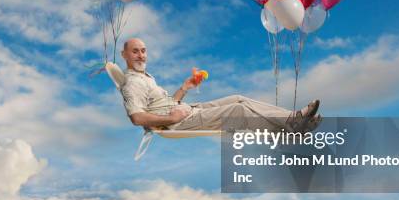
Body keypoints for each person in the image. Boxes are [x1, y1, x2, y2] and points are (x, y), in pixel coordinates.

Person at [118, 38, 321, 132]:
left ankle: (293, 118)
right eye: (135, 51)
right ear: (124, 55)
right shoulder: (132, 83)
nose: (141, 55)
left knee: (237, 97)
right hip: (179, 122)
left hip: (186, 110)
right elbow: (137, 118)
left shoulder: (146, 76)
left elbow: (164, 103)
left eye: (143, 50)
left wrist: (185, 87)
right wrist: (170, 118)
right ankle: (292, 123)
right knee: (238, 110)